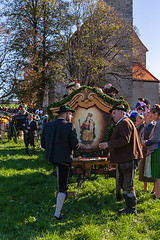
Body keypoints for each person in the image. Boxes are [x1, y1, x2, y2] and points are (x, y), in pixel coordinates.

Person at [99, 103, 143, 215]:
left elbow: (124, 140)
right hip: (126, 157)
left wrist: (108, 144)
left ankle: (132, 209)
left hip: (128, 158)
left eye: (114, 112)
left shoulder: (124, 123)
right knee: (124, 183)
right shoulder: (122, 123)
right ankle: (129, 207)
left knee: (128, 185)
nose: (112, 115)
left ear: (122, 113)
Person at [41, 105, 80, 220]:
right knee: (63, 187)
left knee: (61, 181)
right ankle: (57, 214)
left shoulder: (47, 125)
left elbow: (43, 145)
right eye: (70, 114)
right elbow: (76, 146)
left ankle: (58, 205)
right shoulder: (69, 126)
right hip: (64, 160)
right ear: (65, 114)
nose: (71, 116)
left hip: (51, 158)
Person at [142, 104, 160, 199]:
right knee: (156, 173)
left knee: (158, 174)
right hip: (156, 149)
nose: (151, 116)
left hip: (157, 149)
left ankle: (158, 194)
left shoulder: (159, 123)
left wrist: (146, 143)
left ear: (156, 114)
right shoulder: (157, 122)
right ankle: (157, 192)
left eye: (152, 114)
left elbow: (156, 138)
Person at [138, 111, 155, 192]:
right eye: (144, 115)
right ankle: (145, 187)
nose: (145, 117)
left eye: (147, 115)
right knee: (143, 168)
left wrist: (147, 142)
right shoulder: (141, 126)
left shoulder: (153, 127)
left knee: (151, 169)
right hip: (142, 150)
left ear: (151, 117)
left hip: (151, 150)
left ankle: (154, 189)